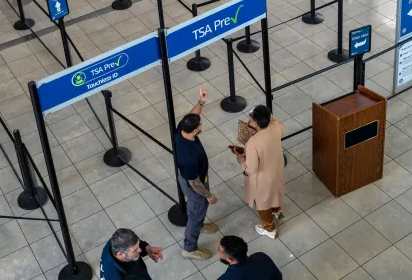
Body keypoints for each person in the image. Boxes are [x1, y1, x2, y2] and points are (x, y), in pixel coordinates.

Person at [175, 87, 220, 260]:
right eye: (200, 124)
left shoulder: (181, 131)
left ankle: (200, 225)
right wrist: (209, 195)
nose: (201, 124)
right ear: (195, 131)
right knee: (196, 214)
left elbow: (191, 116)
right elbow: (194, 182)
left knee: (198, 212)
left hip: (192, 179)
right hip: (195, 186)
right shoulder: (190, 157)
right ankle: (189, 248)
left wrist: (201, 102)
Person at [237, 105, 285, 238]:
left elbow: (251, 168)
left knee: (263, 202)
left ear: (254, 122)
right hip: (277, 170)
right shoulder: (276, 127)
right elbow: (276, 122)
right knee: (275, 192)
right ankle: (276, 210)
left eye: (251, 119)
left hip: (263, 179)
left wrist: (241, 159)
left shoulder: (253, 142)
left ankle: (269, 229)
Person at [99, 228, 164, 280]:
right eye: (135, 250)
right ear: (120, 254)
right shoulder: (122, 277)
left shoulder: (113, 243)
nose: (140, 250)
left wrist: (147, 248)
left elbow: (133, 245)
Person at [218, 236, 282, 279]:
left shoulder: (227, 278)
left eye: (219, 251)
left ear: (229, 259)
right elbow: (278, 276)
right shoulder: (261, 256)